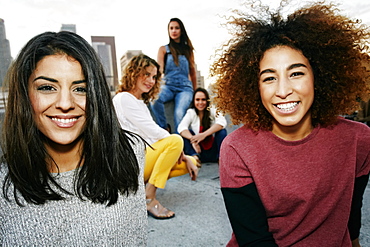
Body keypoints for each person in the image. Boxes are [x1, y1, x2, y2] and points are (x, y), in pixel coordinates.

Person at [210, 1, 370, 246]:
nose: (283, 90)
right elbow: (254, 240)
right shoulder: (237, 148)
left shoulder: (358, 140)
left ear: (319, 76)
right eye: (269, 78)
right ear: (255, 87)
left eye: (296, 73)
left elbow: (351, 215)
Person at [0, 31, 147, 246]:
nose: (66, 103)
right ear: (24, 95)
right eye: (48, 88)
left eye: (80, 88)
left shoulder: (130, 151)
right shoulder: (4, 185)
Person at [113, 54, 199, 220]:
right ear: (133, 73)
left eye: (154, 77)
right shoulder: (124, 98)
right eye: (146, 74)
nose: (151, 81)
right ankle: (149, 196)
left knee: (191, 162)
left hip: (142, 158)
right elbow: (153, 131)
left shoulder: (140, 103)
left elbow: (151, 139)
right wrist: (178, 147)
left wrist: (185, 156)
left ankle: (142, 189)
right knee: (175, 140)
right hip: (128, 165)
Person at [151, 17, 197, 133]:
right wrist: (154, 81)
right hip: (168, 86)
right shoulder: (163, 49)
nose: (174, 31)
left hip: (184, 88)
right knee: (155, 99)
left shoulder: (188, 50)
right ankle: (164, 129)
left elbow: (192, 73)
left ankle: (179, 144)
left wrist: (195, 92)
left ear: (181, 30)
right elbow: (159, 68)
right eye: (171, 28)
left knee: (179, 113)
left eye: (176, 28)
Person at [178, 87, 227, 163]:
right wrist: (193, 140)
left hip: (213, 151)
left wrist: (203, 135)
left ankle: (221, 157)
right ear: (194, 101)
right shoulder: (191, 112)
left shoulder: (212, 110)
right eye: (197, 100)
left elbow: (222, 122)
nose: (200, 102)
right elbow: (181, 128)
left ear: (207, 101)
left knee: (222, 131)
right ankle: (194, 157)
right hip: (199, 150)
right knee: (186, 134)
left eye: (203, 99)